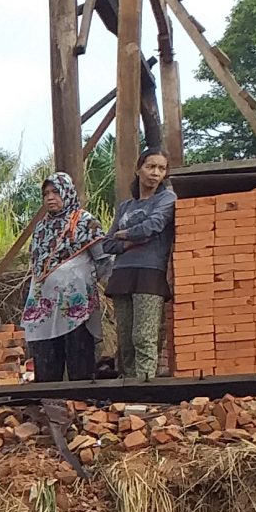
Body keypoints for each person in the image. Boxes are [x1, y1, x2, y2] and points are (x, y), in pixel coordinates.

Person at [96, 149, 175, 381]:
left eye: (161, 169)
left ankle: (145, 387)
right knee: (126, 340)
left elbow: (153, 226)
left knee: (144, 336)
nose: (155, 173)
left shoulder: (166, 199)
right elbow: (107, 244)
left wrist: (124, 235)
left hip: (150, 273)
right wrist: (130, 241)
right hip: (122, 274)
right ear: (138, 169)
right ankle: (129, 389)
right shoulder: (125, 207)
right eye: (151, 167)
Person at [20, 170, 104, 383]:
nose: (50, 197)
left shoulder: (85, 221)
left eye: (55, 192)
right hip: (45, 306)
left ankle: (83, 405)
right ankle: (47, 405)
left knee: (79, 354)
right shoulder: (41, 227)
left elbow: (103, 259)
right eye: (46, 193)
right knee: (46, 356)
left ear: (67, 193)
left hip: (75, 305)